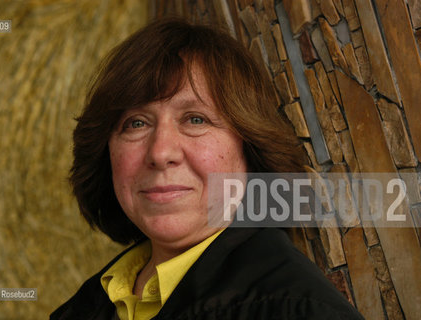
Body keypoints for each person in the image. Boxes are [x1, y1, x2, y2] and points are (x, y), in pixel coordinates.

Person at [50, 18, 364, 320]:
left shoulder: (299, 310)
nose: (160, 153)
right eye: (136, 124)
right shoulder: (81, 308)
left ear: (249, 148)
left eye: (195, 119)